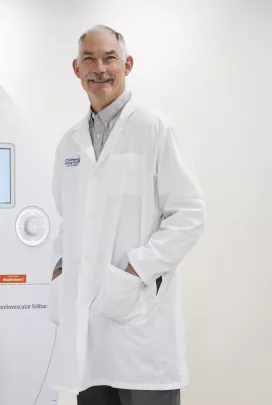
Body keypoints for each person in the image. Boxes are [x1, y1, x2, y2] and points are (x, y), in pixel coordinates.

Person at [46, 25, 206, 405]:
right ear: (76, 69)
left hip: (141, 323)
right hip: (87, 323)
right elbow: (67, 217)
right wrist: (59, 268)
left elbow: (189, 214)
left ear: (127, 64)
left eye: (109, 57)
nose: (99, 67)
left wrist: (135, 272)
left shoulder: (154, 129)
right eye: (89, 58)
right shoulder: (70, 143)